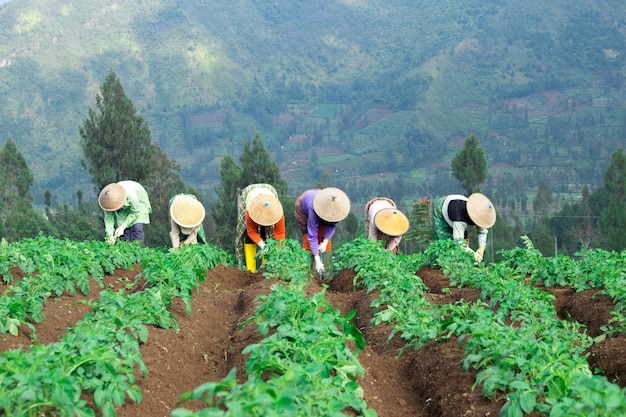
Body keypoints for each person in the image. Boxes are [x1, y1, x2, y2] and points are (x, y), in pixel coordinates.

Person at [294, 187, 350, 279]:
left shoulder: (339, 209)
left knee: (325, 242)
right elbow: (312, 236)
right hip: (304, 210)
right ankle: (310, 274)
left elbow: (332, 225)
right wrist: (317, 259)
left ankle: (325, 275)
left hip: (322, 203)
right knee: (309, 242)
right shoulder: (312, 209)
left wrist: (325, 242)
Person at [235, 183, 286, 272]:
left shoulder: (278, 213)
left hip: (269, 190)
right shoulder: (249, 211)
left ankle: (266, 268)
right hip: (249, 193)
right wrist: (262, 245)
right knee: (246, 234)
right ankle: (250, 270)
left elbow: (280, 234)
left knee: (268, 236)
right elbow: (251, 232)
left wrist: (277, 252)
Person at [431, 193, 496, 262]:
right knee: (444, 243)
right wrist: (473, 254)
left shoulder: (478, 212)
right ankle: (442, 263)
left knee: (464, 244)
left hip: (456, 212)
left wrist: (481, 247)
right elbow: (458, 242)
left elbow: (482, 232)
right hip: (441, 208)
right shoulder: (460, 219)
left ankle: (460, 263)